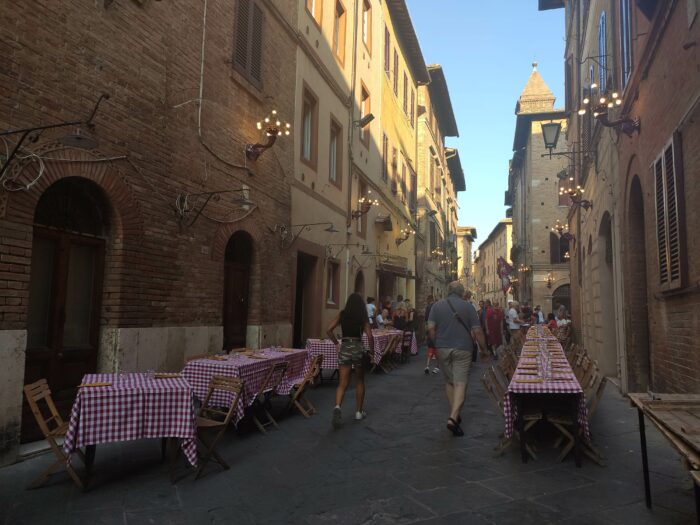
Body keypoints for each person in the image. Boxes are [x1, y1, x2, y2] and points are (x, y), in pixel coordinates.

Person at [428, 281, 486, 437]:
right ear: (462, 293)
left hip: (442, 348)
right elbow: (477, 331)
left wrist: (436, 343)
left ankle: (455, 412)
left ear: (448, 291)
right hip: (463, 348)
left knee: (449, 381)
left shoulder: (436, 306)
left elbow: (430, 328)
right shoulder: (468, 307)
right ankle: (453, 417)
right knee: (461, 383)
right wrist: (484, 349)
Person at [326, 293, 374, 428]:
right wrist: (372, 352)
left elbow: (328, 329)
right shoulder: (362, 316)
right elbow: (370, 336)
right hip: (358, 347)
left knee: (342, 383)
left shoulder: (342, 314)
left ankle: (337, 407)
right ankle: (359, 411)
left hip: (345, 347)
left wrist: (336, 343)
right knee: (359, 380)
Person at [424, 295, 438, 374]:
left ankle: (427, 365)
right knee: (437, 349)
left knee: (430, 347)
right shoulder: (437, 307)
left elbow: (426, 317)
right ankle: (436, 367)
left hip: (429, 326)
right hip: (436, 329)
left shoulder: (428, 307)